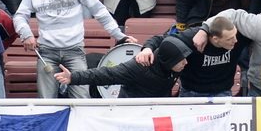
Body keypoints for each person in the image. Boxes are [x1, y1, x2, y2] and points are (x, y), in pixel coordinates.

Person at [13, 0, 134, 99]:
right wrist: (26, 34)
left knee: (82, 99)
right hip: (46, 53)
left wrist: (120, 36)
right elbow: (19, 16)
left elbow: (100, 12)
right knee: (46, 102)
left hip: (74, 51)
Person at [136, 16, 245, 97]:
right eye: (229, 39)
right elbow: (162, 39)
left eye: (235, 36)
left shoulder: (237, 36)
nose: (235, 40)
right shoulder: (193, 37)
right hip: (192, 92)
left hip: (223, 91)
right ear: (215, 39)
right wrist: (147, 49)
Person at [55, 36, 191, 98]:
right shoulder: (138, 67)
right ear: (168, 61)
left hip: (158, 110)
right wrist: (73, 77)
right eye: (181, 60)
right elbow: (105, 75)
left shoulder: (176, 66)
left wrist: (147, 47)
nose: (186, 63)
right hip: (131, 112)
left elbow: (160, 38)